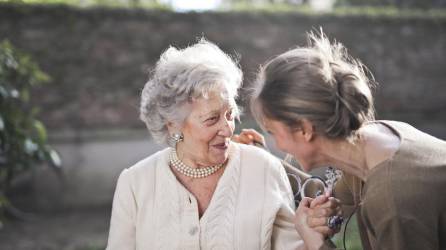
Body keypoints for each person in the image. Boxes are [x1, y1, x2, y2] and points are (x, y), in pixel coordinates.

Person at [106, 39, 339, 250]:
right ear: (173, 125)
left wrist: (311, 232)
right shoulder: (135, 183)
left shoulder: (263, 169)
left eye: (229, 114)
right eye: (211, 119)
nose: (227, 129)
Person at [250, 30, 446, 250]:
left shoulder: (392, 201)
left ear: (304, 129)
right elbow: (326, 195)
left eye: (272, 132)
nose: (278, 145)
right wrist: (256, 157)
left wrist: (314, 241)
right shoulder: (375, 140)